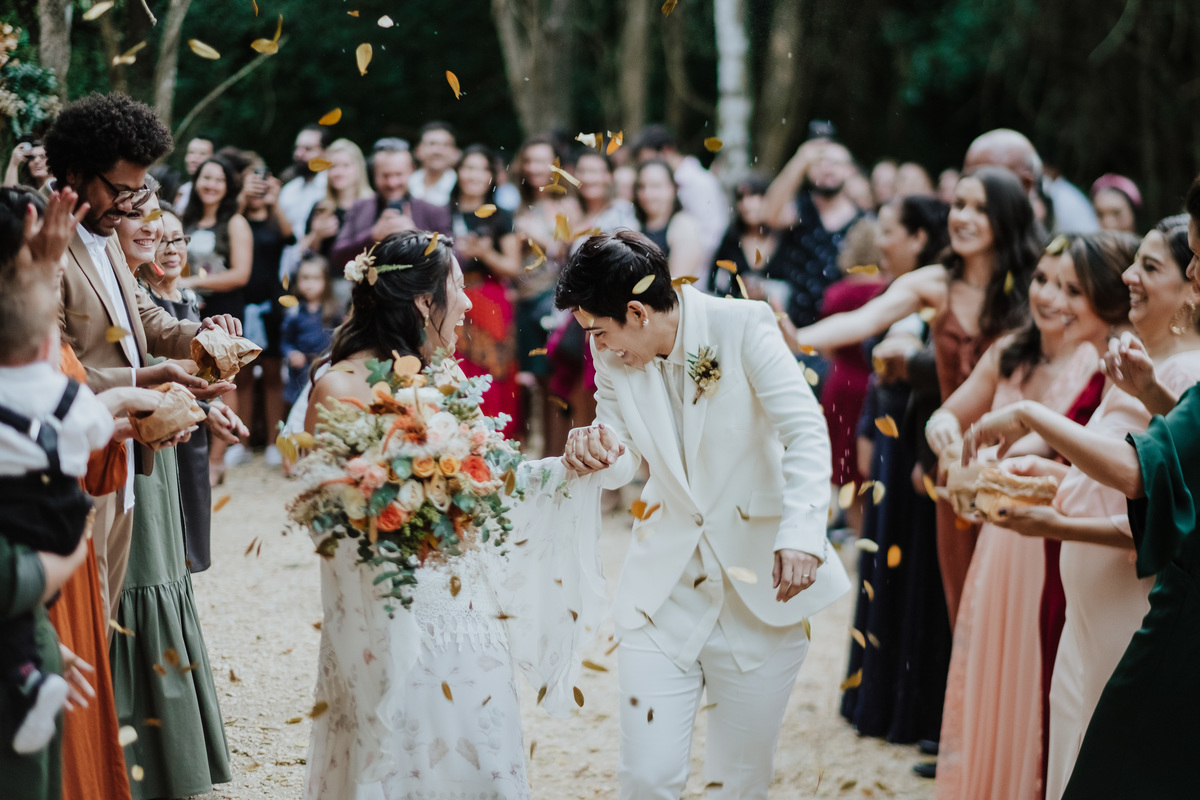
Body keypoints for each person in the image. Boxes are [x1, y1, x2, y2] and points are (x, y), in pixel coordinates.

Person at [302, 230, 609, 798]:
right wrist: (412, 504)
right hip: (391, 607)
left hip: (468, 609)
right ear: (424, 302)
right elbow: (329, 518)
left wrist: (564, 469)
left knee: (476, 748)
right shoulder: (339, 387)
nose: (469, 304)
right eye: (458, 289)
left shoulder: (442, 377)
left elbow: (491, 478)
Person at [555, 230, 852, 799]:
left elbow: (806, 432)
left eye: (599, 329)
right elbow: (623, 446)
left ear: (637, 312)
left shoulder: (744, 326)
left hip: (762, 589)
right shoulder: (612, 349)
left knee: (737, 783)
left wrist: (801, 534)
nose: (597, 345)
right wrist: (598, 449)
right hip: (662, 590)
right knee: (645, 778)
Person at [958, 177, 1200, 799]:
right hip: (1088, 615)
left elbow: (1146, 482)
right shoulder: (1143, 370)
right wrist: (1057, 479)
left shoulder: (1188, 370)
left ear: (1189, 289)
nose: (1128, 278)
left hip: (1135, 604)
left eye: (1153, 266)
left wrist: (1038, 430)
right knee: (1075, 759)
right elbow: (1139, 480)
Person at [782, 168, 1042, 625]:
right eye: (959, 205)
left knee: (1016, 606)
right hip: (952, 462)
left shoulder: (1035, 288)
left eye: (979, 208)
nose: (963, 217)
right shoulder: (936, 283)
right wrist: (797, 337)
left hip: (1022, 460)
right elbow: (864, 320)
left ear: (1005, 217)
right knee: (963, 603)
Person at [934, 231, 1135, 799]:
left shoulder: (1106, 369)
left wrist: (1002, 462)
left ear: (1106, 299)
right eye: (1045, 281)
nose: (1051, 297)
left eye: (1073, 289)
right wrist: (950, 443)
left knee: (1036, 681)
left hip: (1050, 537)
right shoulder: (1014, 349)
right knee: (996, 674)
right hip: (1006, 537)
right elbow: (951, 416)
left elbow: (1078, 461)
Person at [46, 91, 239, 621]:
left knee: (105, 613)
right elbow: (54, 372)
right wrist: (148, 376)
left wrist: (201, 337)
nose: (133, 207)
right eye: (122, 191)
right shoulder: (44, 244)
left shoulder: (104, 233)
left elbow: (143, 320)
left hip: (127, 454)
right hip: (76, 457)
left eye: (140, 191)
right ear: (79, 172)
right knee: (77, 619)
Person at [109, 190, 236, 800]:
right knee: (118, 595)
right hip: (101, 439)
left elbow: (157, 325)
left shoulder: (112, 254)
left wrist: (201, 334)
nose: (150, 226)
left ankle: (168, 757)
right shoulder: (67, 256)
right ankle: (116, 753)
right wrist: (140, 384)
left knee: (159, 579)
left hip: (146, 444)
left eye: (153, 211)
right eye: (134, 206)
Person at [840, 196, 953, 747]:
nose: (879, 241)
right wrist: (864, 432)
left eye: (889, 231)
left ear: (918, 238)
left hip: (917, 443)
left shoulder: (941, 298)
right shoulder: (894, 291)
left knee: (911, 569)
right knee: (877, 562)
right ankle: (873, 698)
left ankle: (908, 706)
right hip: (883, 437)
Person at [129, 203, 248, 572]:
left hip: (194, 420)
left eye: (177, 238)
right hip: (160, 418)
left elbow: (209, 371)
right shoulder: (140, 298)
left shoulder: (190, 299)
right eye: (160, 240)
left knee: (191, 529)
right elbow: (153, 366)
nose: (170, 248)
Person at [179, 156, 254, 483]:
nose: (210, 185)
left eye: (218, 180)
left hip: (223, 309)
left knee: (224, 376)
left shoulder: (235, 222)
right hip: (189, 309)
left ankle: (217, 458)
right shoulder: (186, 219)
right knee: (193, 373)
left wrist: (194, 283)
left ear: (228, 187)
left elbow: (241, 273)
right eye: (205, 178)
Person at [512, 135, 581, 454]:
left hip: (554, 305)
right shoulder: (519, 206)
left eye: (543, 160)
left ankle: (558, 454)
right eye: (530, 160)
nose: (536, 167)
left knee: (556, 383)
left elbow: (569, 255)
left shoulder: (567, 206)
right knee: (535, 383)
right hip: (523, 303)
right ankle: (541, 455)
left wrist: (539, 237)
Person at [450, 145, 522, 428]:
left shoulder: (501, 216)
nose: (474, 175)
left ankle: (495, 436)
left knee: (493, 368)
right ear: (458, 172)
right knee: (454, 366)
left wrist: (484, 253)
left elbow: (513, 267)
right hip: (450, 297)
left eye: (482, 169)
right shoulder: (443, 212)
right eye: (469, 167)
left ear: (492, 176)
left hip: (489, 300)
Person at [762, 137, 865, 328]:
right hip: (792, 326)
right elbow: (769, 215)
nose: (826, 168)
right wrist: (799, 161)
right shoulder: (800, 210)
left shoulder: (863, 222)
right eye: (819, 163)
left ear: (850, 170)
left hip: (838, 332)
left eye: (835, 163)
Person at [238, 158, 294, 466]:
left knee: (274, 374)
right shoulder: (236, 217)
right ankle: (242, 444)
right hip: (241, 302)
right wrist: (243, 197)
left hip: (272, 303)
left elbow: (290, 237)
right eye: (252, 179)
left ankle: (274, 442)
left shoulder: (275, 217)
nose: (258, 185)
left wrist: (274, 201)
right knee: (242, 374)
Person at [329, 144, 452, 272]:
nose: (392, 183)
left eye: (398, 175)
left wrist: (417, 235)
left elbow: (455, 258)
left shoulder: (433, 210)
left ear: (412, 171)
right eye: (386, 175)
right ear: (375, 173)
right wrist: (373, 236)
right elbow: (336, 256)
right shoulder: (360, 207)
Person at [630, 125, 728, 260]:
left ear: (667, 150)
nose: (649, 167)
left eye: (651, 160)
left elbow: (712, 236)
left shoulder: (701, 182)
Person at [301, 138, 373, 274]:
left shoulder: (373, 204)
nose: (339, 172)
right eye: (333, 167)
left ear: (358, 168)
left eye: (345, 166)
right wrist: (317, 235)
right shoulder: (321, 207)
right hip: (328, 284)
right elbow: (304, 253)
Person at [281, 256, 341, 409]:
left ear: (326, 281)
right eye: (305, 278)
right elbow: (285, 341)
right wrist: (291, 353)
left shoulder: (334, 310)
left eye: (315, 278)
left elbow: (341, 337)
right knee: (300, 407)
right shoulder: (294, 311)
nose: (309, 284)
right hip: (301, 371)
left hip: (326, 368)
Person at [632, 159, 705, 280]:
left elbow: (677, 285)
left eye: (656, 186)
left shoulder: (684, 226)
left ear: (673, 189)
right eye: (642, 186)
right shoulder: (635, 225)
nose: (647, 194)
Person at [278, 124, 332, 279]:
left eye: (308, 149)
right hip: (289, 271)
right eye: (297, 148)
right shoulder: (289, 189)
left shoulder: (331, 187)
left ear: (325, 152)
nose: (299, 154)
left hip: (322, 275)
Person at [409, 121, 459, 206]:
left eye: (445, 145)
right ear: (418, 150)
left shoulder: (461, 188)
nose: (438, 151)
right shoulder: (407, 183)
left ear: (455, 153)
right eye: (432, 144)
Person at [173, 135, 214, 210]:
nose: (195, 158)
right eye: (191, 152)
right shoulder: (183, 189)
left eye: (202, 154)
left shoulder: (213, 191)